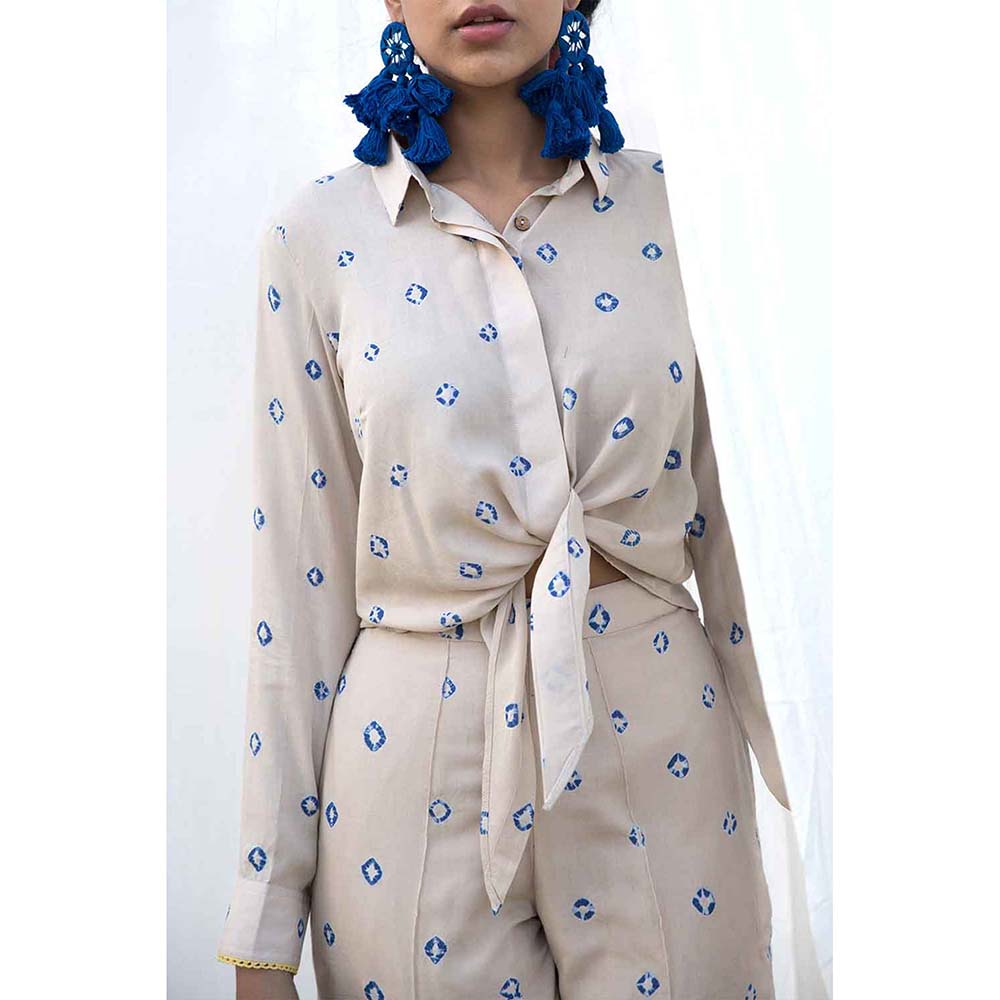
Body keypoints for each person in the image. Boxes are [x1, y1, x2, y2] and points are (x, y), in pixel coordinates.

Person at [217, 2, 791, 998]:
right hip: (409, 762)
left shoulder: (680, 210)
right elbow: (295, 587)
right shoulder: (316, 238)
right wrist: (264, 930)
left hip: (665, 734)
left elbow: (753, 523)